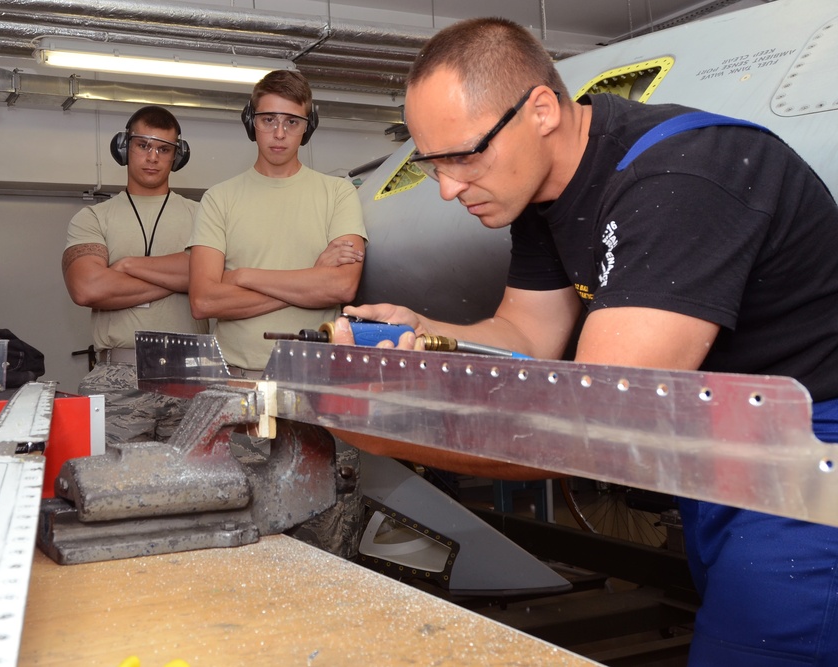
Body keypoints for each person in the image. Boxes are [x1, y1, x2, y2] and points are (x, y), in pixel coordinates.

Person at [332, 17, 838, 667]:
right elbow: (525, 334)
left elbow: (593, 418)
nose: (450, 187)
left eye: (464, 155)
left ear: (540, 109)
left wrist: (380, 423)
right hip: (724, 451)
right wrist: (422, 334)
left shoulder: (681, 178)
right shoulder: (544, 196)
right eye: (434, 164)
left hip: (811, 459)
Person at [187, 69, 368, 557]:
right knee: (247, 525)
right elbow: (204, 299)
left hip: (320, 385)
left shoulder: (338, 194)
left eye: (292, 121)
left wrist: (243, 275)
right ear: (252, 122)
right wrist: (307, 277)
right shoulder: (220, 200)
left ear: (308, 126)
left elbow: (340, 284)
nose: (280, 132)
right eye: (269, 119)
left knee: (331, 524)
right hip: (245, 391)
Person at [62, 105, 207, 446]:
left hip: (192, 375)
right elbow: (87, 288)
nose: (153, 157)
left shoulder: (203, 215)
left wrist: (126, 266)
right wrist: (179, 277)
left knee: (197, 492)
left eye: (164, 149)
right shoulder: (92, 218)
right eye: (143, 145)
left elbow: (213, 276)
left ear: (177, 156)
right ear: (125, 148)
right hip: (118, 377)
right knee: (114, 491)